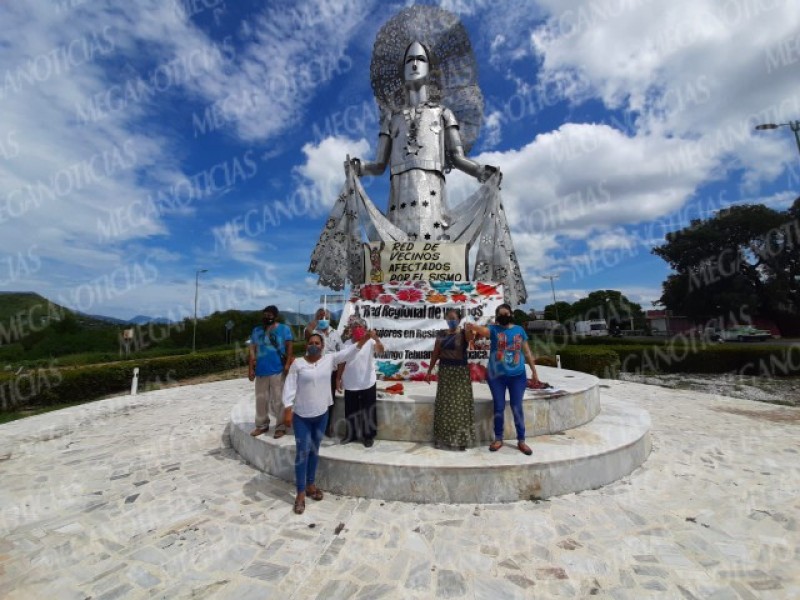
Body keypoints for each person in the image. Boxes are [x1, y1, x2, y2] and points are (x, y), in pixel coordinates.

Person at [282, 332, 370, 515]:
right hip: (302, 416)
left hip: (321, 414)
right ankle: (299, 493)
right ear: (306, 345)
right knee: (302, 453)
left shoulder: (329, 360)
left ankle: (311, 485)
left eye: (317, 343)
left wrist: (365, 339)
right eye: (311, 342)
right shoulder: (298, 364)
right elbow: (289, 387)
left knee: (314, 450)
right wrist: (287, 409)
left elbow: (349, 353)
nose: (314, 345)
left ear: (322, 346)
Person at [471, 304, 541, 455]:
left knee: (517, 406)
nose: (504, 316)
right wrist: (471, 325)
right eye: (501, 314)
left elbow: (527, 352)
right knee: (499, 406)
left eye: (506, 313)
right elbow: (481, 330)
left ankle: (521, 440)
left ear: (511, 314)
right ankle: (498, 438)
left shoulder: (519, 330)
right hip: (496, 377)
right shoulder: (494, 329)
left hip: (517, 376)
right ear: (497, 316)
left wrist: (534, 371)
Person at [425, 308, 476, 450]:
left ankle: (461, 440)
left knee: (460, 406)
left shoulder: (464, 333)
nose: (450, 321)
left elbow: (470, 339)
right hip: (445, 372)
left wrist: (469, 330)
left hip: (460, 373)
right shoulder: (441, 334)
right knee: (444, 406)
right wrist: (429, 371)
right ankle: (441, 439)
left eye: (453, 318)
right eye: (448, 318)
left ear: (459, 320)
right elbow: (436, 353)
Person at [337, 318, 384, 447]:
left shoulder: (370, 341)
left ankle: (368, 436)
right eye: (354, 326)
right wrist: (338, 378)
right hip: (351, 382)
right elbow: (341, 361)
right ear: (350, 329)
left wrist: (377, 339)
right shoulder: (346, 343)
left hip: (367, 382)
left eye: (359, 326)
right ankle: (350, 435)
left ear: (364, 328)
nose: (356, 328)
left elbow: (381, 350)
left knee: (368, 410)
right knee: (350, 410)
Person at [248, 305, 293, 438]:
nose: (267, 317)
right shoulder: (257, 331)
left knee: (278, 400)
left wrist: (287, 364)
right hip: (261, 371)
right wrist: (250, 368)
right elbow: (252, 350)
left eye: (270, 315)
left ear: (275, 316)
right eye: (265, 314)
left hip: (278, 370)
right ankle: (261, 425)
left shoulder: (284, 329)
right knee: (261, 400)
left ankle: (280, 426)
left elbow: (289, 347)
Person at [305, 307, 343, 437]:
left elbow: (342, 355)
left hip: (331, 374)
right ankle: (313, 427)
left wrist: (339, 378)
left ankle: (326, 426)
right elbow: (307, 332)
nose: (323, 320)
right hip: (316, 372)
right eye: (321, 318)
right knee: (314, 399)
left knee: (329, 400)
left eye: (326, 317)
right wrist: (316, 319)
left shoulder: (335, 333)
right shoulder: (314, 333)